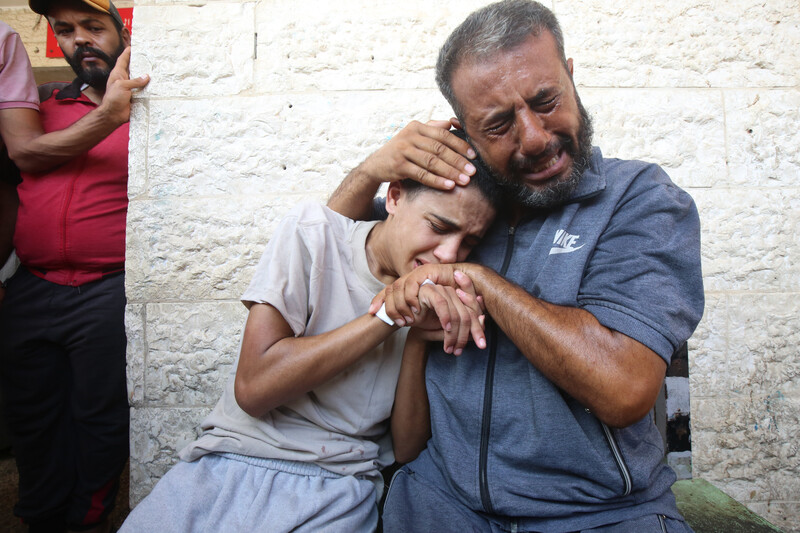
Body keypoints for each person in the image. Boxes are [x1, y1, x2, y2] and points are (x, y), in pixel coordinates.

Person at [327, 1, 705, 531]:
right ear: (465, 134)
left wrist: (479, 281)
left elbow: (624, 390)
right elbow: (326, 249)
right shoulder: (449, 209)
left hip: (600, 517)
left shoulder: (639, 199)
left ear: (571, 76)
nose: (533, 137)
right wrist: (369, 170)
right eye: (498, 125)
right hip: (438, 505)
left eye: (546, 99)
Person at [119, 151, 502, 532]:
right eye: (438, 226)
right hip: (230, 461)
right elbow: (253, 389)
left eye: (469, 241)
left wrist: (418, 338)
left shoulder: (439, 298)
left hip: (339, 488)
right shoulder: (312, 231)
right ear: (396, 197)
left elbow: (406, 449)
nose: (449, 254)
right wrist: (389, 315)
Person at [0, 1, 149, 531]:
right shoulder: (38, 105)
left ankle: (86, 521)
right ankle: (40, 517)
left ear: (123, 30)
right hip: (32, 287)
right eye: (65, 30)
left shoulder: (153, 112)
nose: (79, 40)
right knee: (32, 417)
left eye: (93, 27)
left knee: (99, 418)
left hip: (107, 291)